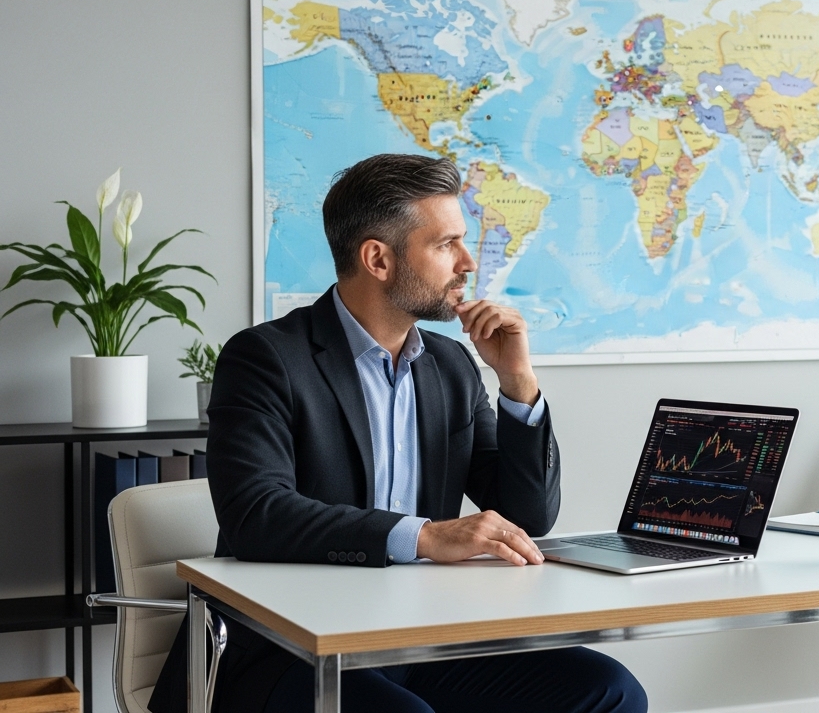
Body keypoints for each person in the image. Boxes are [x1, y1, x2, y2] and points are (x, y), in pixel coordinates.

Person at [149, 154, 647, 713]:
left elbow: (526, 515)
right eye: (446, 245)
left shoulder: (451, 365)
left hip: (417, 637)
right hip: (282, 651)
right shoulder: (266, 358)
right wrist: (425, 536)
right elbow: (256, 517)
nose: (466, 263)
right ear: (378, 259)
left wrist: (517, 382)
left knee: (609, 690)